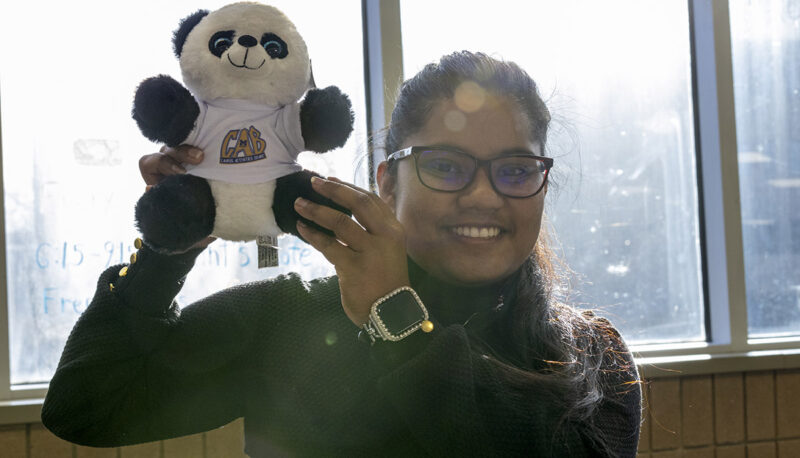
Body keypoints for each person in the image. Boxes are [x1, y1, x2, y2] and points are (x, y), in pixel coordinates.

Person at [42, 51, 641, 457]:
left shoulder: (590, 355)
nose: (483, 196)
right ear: (387, 182)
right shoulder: (288, 318)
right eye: (445, 166)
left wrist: (395, 318)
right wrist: (167, 249)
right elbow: (87, 404)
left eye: (515, 169)